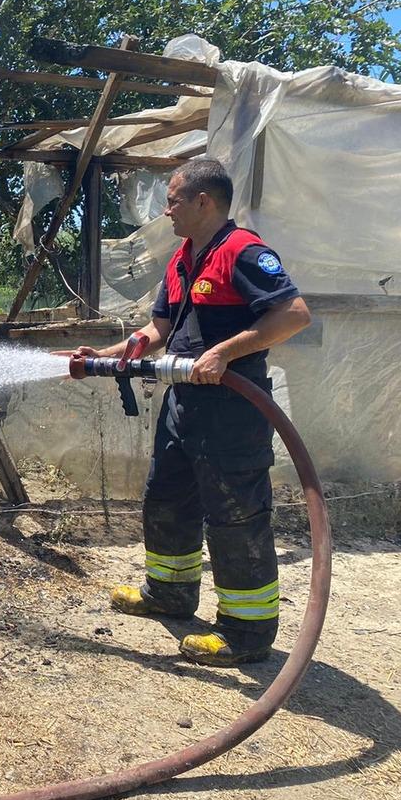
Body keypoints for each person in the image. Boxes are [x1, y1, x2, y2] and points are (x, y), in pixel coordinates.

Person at [55, 158, 311, 666]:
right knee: (166, 497)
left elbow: (293, 314)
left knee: (235, 515)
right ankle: (169, 594)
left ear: (203, 201)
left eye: (173, 200)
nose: (167, 209)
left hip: (233, 409)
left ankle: (246, 632)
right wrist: (109, 354)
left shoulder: (243, 252)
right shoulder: (181, 259)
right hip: (183, 403)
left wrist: (225, 353)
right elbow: (159, 331)